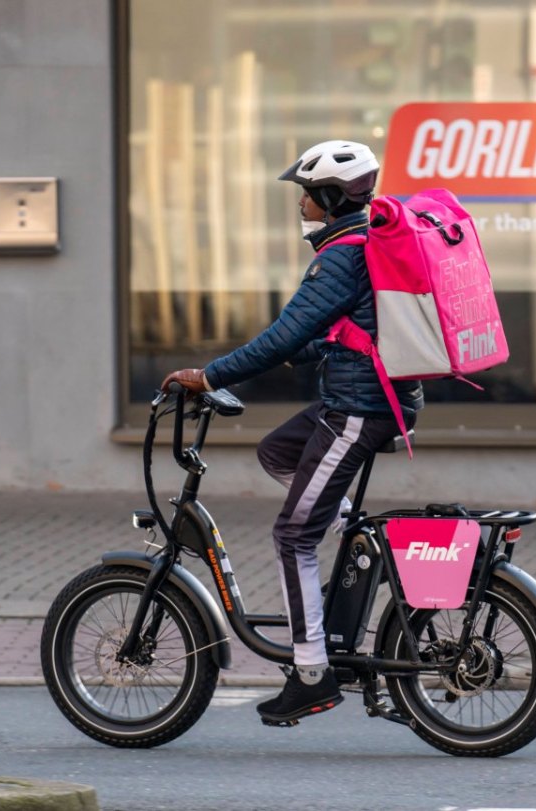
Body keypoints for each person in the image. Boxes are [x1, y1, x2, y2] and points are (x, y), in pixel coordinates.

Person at [161, 140, 423, 724]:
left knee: (293, 536)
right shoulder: (363, 243)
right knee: (278, 449)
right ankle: (353, 531)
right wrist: (299, 353)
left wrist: (209, 376)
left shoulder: (341, 255)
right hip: (362, 397)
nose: (300, 203)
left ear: (330, 198)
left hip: (359, 407)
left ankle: (312, 673)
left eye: (306, 193)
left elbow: (284, 332)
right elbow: (334, 330)